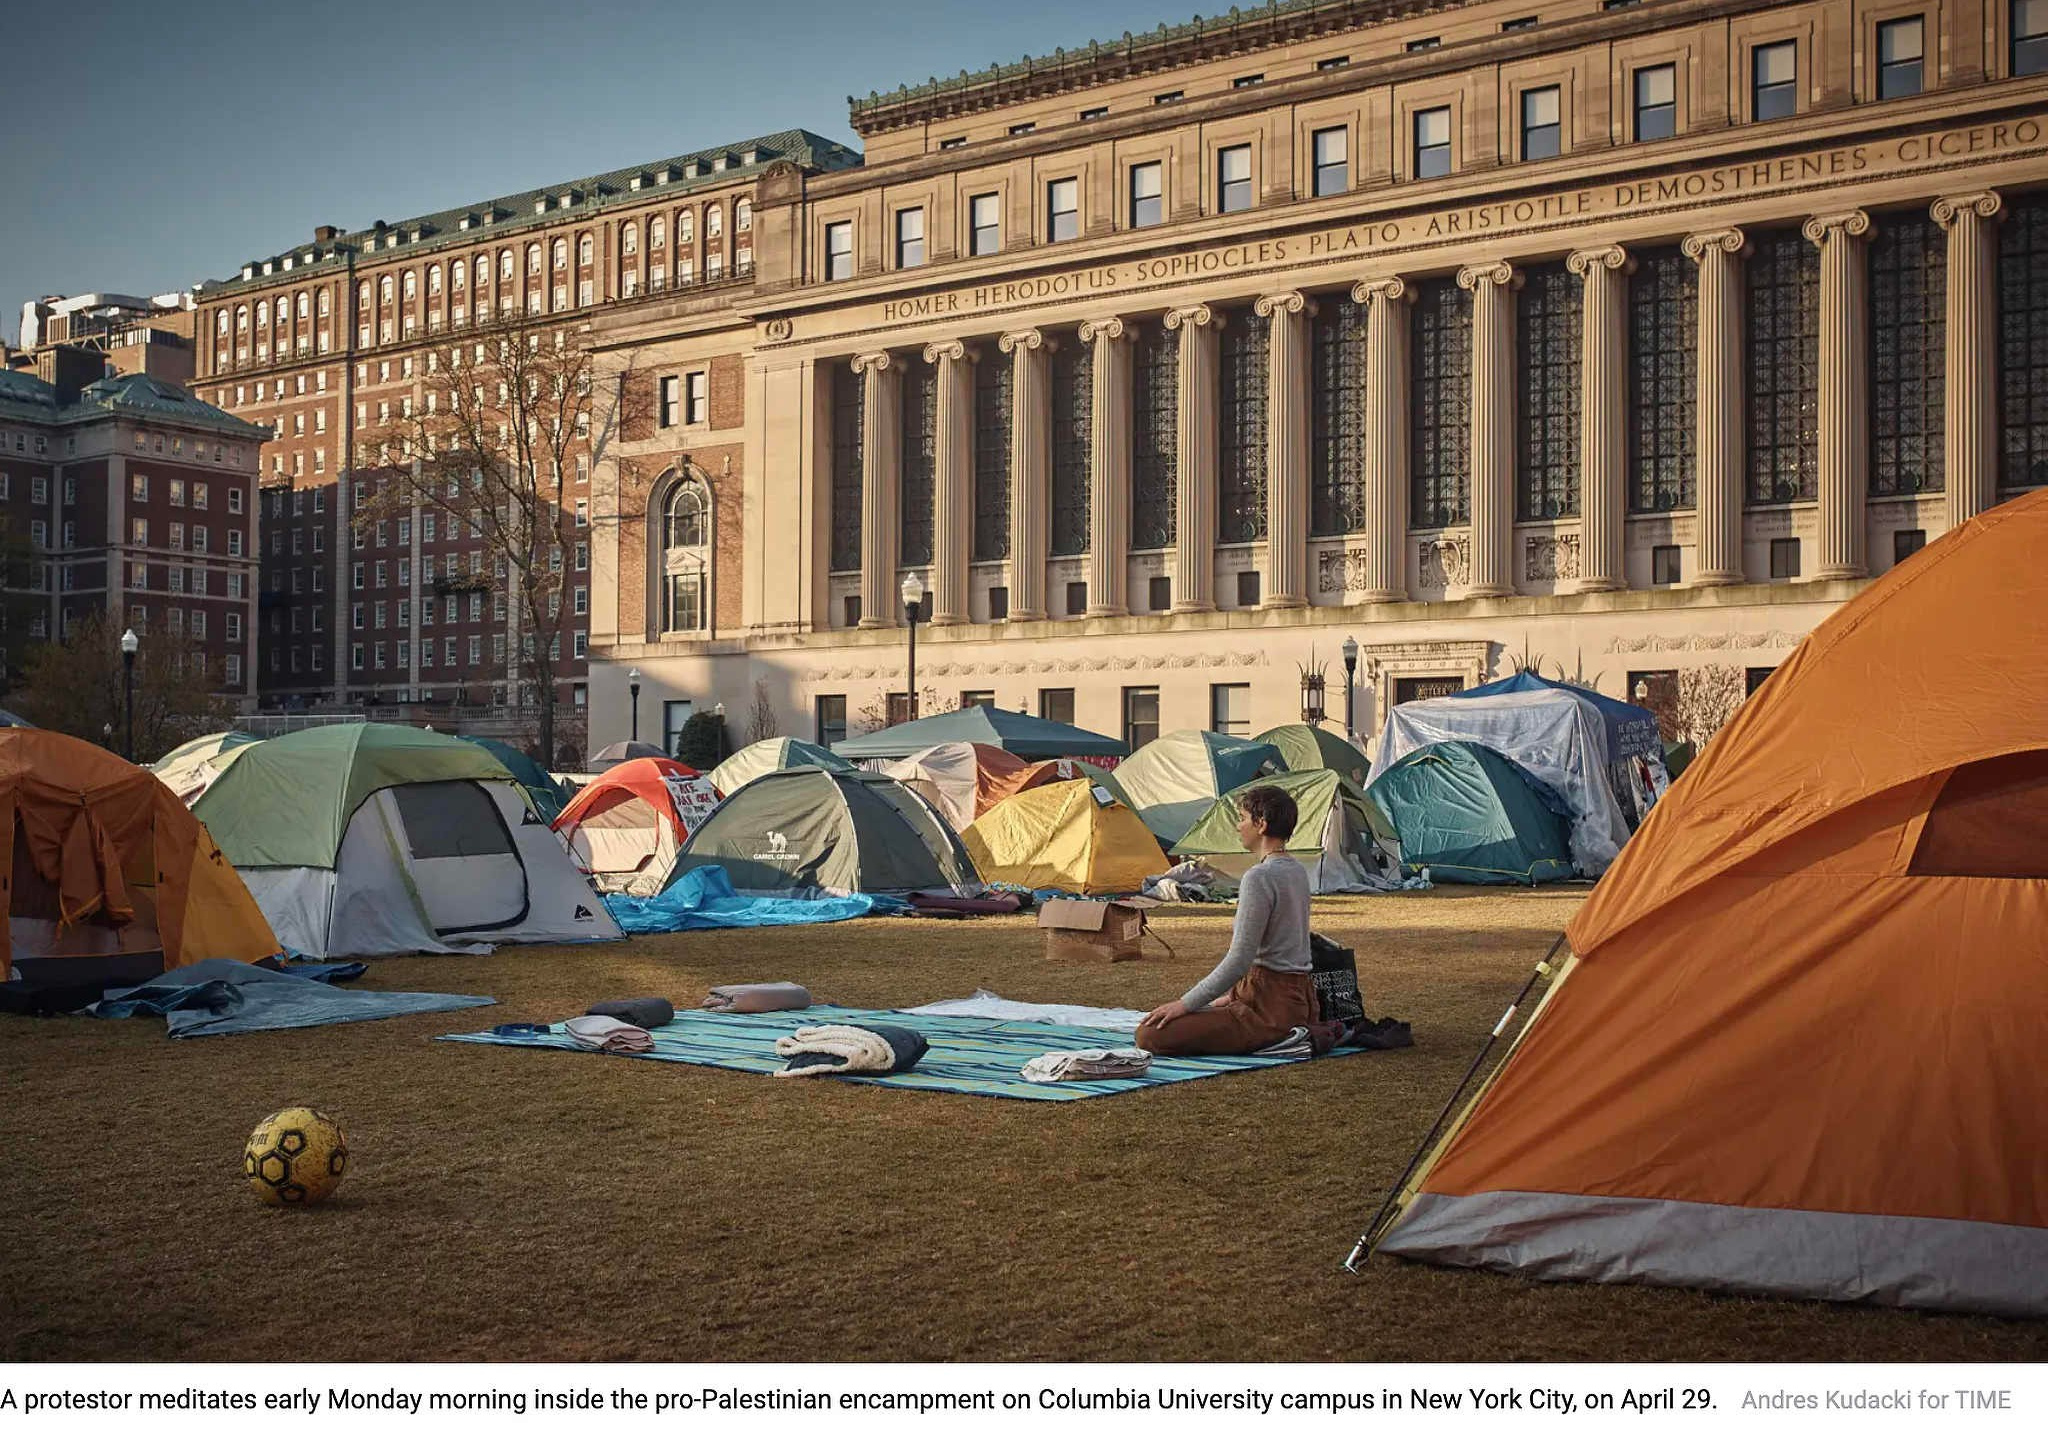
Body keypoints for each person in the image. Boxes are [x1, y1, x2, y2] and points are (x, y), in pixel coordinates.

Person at [1136, 784, 1317, 1057]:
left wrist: (1184, 1004)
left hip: (1269, 1008)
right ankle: (1280, 1028)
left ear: (1261, 824)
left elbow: (1239, 960)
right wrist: (1231, 997)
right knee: (1186, 1016)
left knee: (1149, 1034)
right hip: (1297, 1000)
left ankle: (1282, 1037)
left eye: (1242, 818)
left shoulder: (1259, 877)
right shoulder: (1297, 871)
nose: (1238, 826)